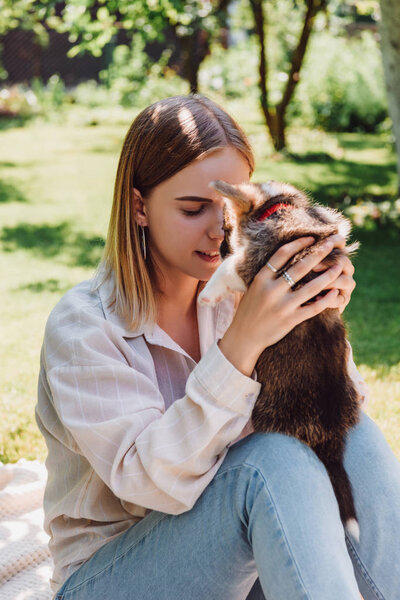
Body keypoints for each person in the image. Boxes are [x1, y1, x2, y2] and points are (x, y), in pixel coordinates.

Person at [35, 94, 400, 600]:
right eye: (192, 208)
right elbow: (150, 484)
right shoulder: (84, 328)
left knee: (347, 434)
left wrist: (319, 321)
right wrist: (241, 345)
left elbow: (337, 409)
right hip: (111, 577)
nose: (220, 229)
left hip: (238, 559)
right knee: (267, 460)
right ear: (139, 206)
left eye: (230, 208)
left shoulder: (244, 290)